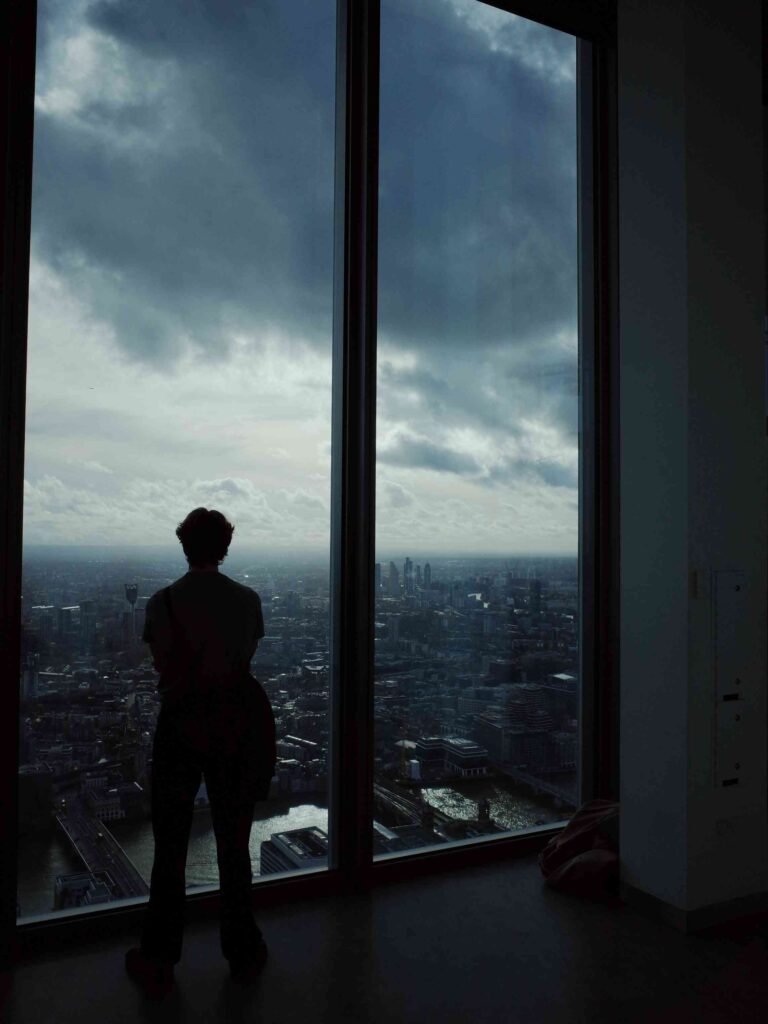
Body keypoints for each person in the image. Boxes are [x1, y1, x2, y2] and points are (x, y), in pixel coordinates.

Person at [125, 508, 276, 998]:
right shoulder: (248, 601)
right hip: (235, 724)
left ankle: (159, 956)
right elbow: (246, 654)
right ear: (225, 548)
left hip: (181, 724)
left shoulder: (161, 604)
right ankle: (243, 951)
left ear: (183, 547)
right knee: (235, 843)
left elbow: (161, 663)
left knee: (170, 845)